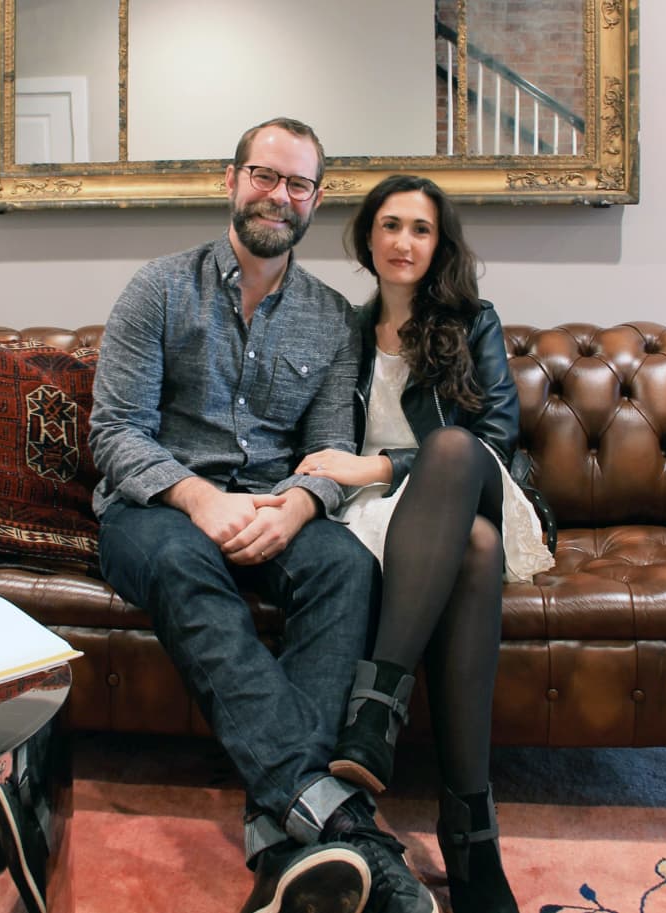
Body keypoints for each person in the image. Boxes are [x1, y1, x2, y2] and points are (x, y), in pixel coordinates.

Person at [88, 120, 438, 913]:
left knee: (346, 563)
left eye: (298, 183)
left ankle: (281, 840)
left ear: (317, 199)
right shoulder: (157, 288)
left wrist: (302, 505)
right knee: (184, 561)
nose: (279, 195)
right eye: (264, 175)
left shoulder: (330, 316)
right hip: (157, 512)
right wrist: (197, 497)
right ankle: (346, 824)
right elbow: (115, 433)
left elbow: (328, 447)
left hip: (275, 506)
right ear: (231, 180)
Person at [296, 174, 555, 913]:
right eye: (390, 225)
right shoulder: (342, 328)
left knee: (447, 449)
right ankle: (469, 826)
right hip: (383, 517)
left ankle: (375, 709)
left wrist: (381, 463)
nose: (403, 241)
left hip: (470, 485)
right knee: (472, 549)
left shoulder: (471, 320)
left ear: (439, 245)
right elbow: (319, 440)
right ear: (366, 237)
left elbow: (493, 441)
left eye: (420, 228)